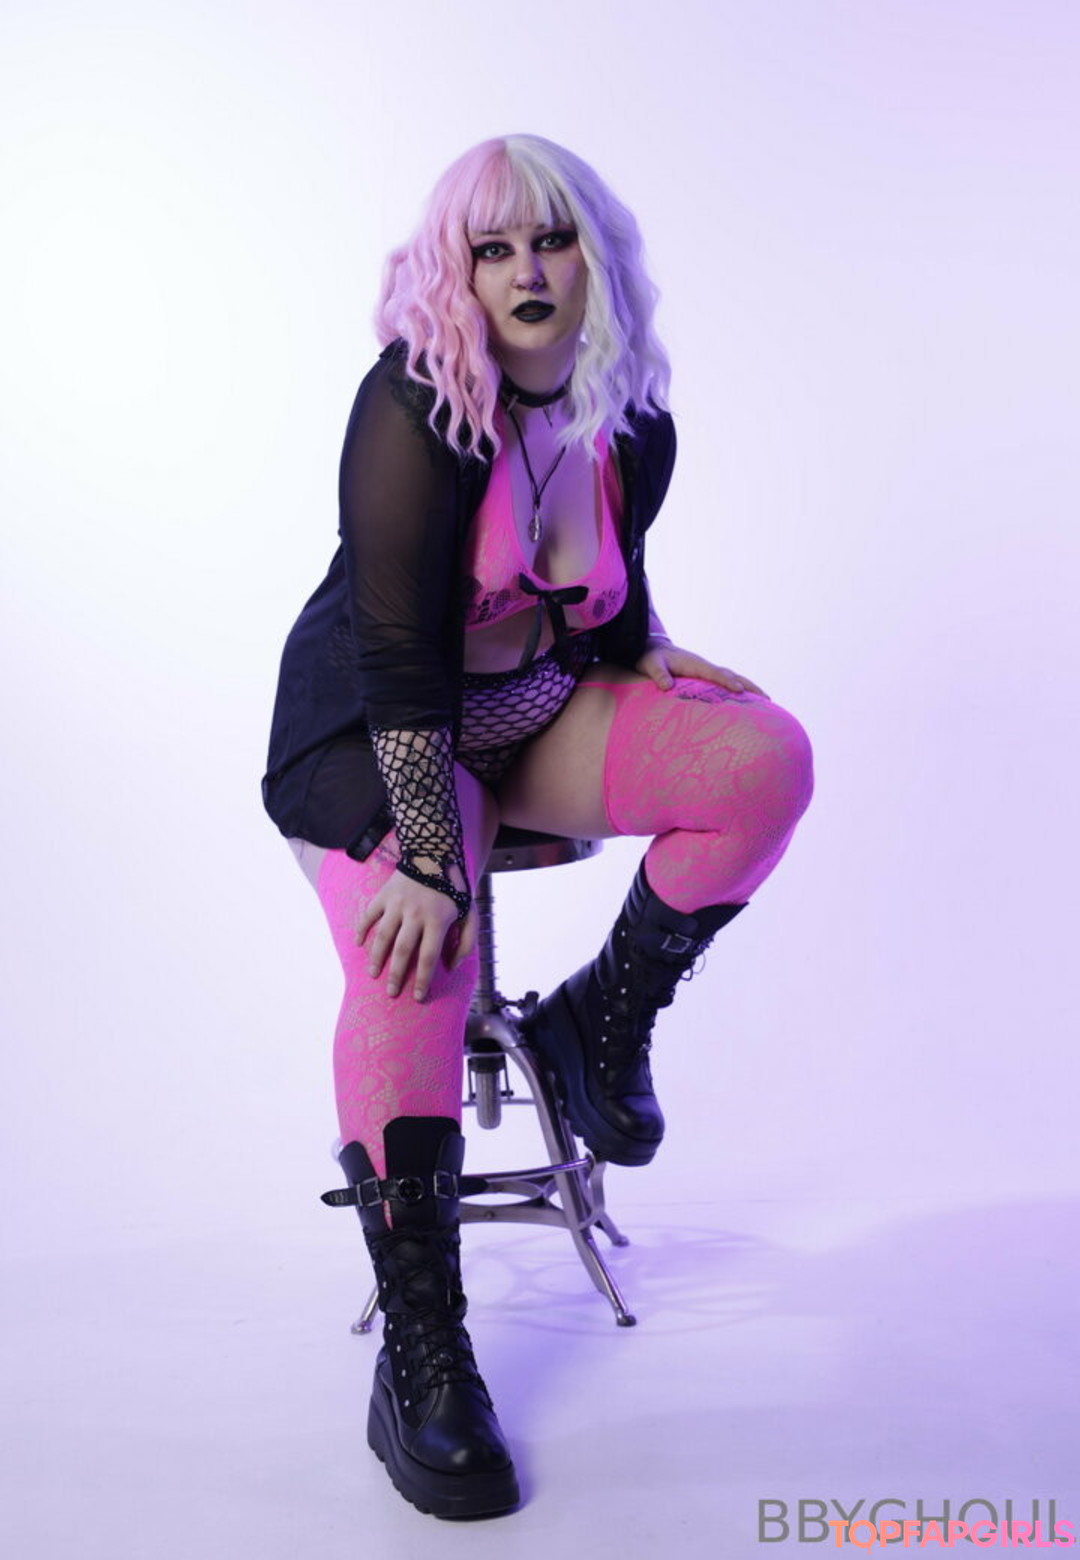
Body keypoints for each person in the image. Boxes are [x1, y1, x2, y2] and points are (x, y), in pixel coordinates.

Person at [262, 134, 813, 1519]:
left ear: (593, 256)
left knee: (762, 760)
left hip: (536, 715)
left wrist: (651, 648)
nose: (526, 270)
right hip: (376, 730)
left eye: (550, 240)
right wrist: (431, 862)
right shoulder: (416, 404)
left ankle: (593, 1029)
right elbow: (399, 653)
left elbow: (606, 585)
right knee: (415, 957)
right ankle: (423, 1356)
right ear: (455, 270)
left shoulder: (633, 417)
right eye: (492, 247)